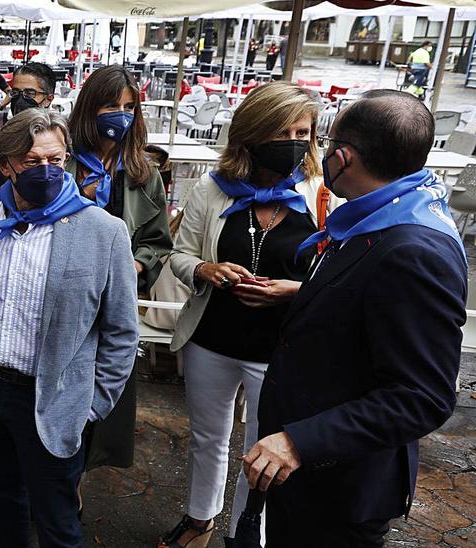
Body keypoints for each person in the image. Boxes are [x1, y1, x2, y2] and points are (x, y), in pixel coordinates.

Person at [246, 90, 466, 546]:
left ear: (343, 158)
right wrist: (306, 294)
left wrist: (299, 442)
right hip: (308, 476)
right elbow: (367, 306)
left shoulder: (414, 251)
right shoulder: (378, 214)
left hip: (337, 486)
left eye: (326, 145)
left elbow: (421, 396)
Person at [0, 108, 139, 547]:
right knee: (4, 502)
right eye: (31, 161)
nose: (46, 170)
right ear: (5, 165)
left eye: (56, 159)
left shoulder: (103, 231)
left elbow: (122, 331)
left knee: (57, 519)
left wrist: (92, 405)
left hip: (52, 398)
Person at [160, 82, 329, 548]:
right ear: (252, 136)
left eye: (304, 131)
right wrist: (204, 268)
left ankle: (246, 534)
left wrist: (296, 291)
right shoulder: (211, 188)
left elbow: (339, 268)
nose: (295, 141)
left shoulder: (320, 193)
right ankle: (200, 521)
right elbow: (180, 253)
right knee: (207, 439)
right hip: (211, 338)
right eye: (283, 131)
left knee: (263, 452)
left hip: (279, 348)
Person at [65, 64, 172, 476]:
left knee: (102, 395)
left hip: (114, 304)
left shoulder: (144, 172)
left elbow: (159, 242)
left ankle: (78, 479)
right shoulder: (63, 162)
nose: (120, 115)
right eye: (111, 104)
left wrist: (137, 262)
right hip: (65, 294)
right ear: (90, 107)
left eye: (129, 107)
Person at [0, 62, 55, 201]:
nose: (20, 99)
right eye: (15, 92)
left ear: (48, 99)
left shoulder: (60, 143)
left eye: (30, 93)